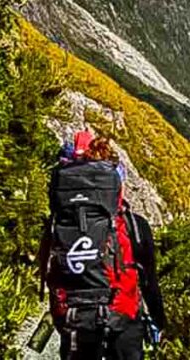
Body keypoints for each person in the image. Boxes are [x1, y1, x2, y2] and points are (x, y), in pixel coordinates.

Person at [41, 131, 165, 360]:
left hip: (71, 317)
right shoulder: (132, 226)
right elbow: (149, 281)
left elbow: (49, 268)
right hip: (121, 316)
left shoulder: (58, 222)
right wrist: (159, 321)